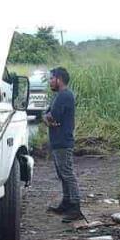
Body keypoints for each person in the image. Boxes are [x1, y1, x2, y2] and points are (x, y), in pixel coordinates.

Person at [44, 67, 83, 222]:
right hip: (58, 141)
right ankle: (67, 203)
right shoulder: (60, 96)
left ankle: (75, 206)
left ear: (59, 79)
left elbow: (51, 117)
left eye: (52, 78)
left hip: (62, 141)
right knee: (63, 174)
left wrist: (49, 119)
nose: (50, 81)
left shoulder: (64, 96)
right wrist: (49, 119)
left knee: (67, 174)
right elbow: (48, 116)